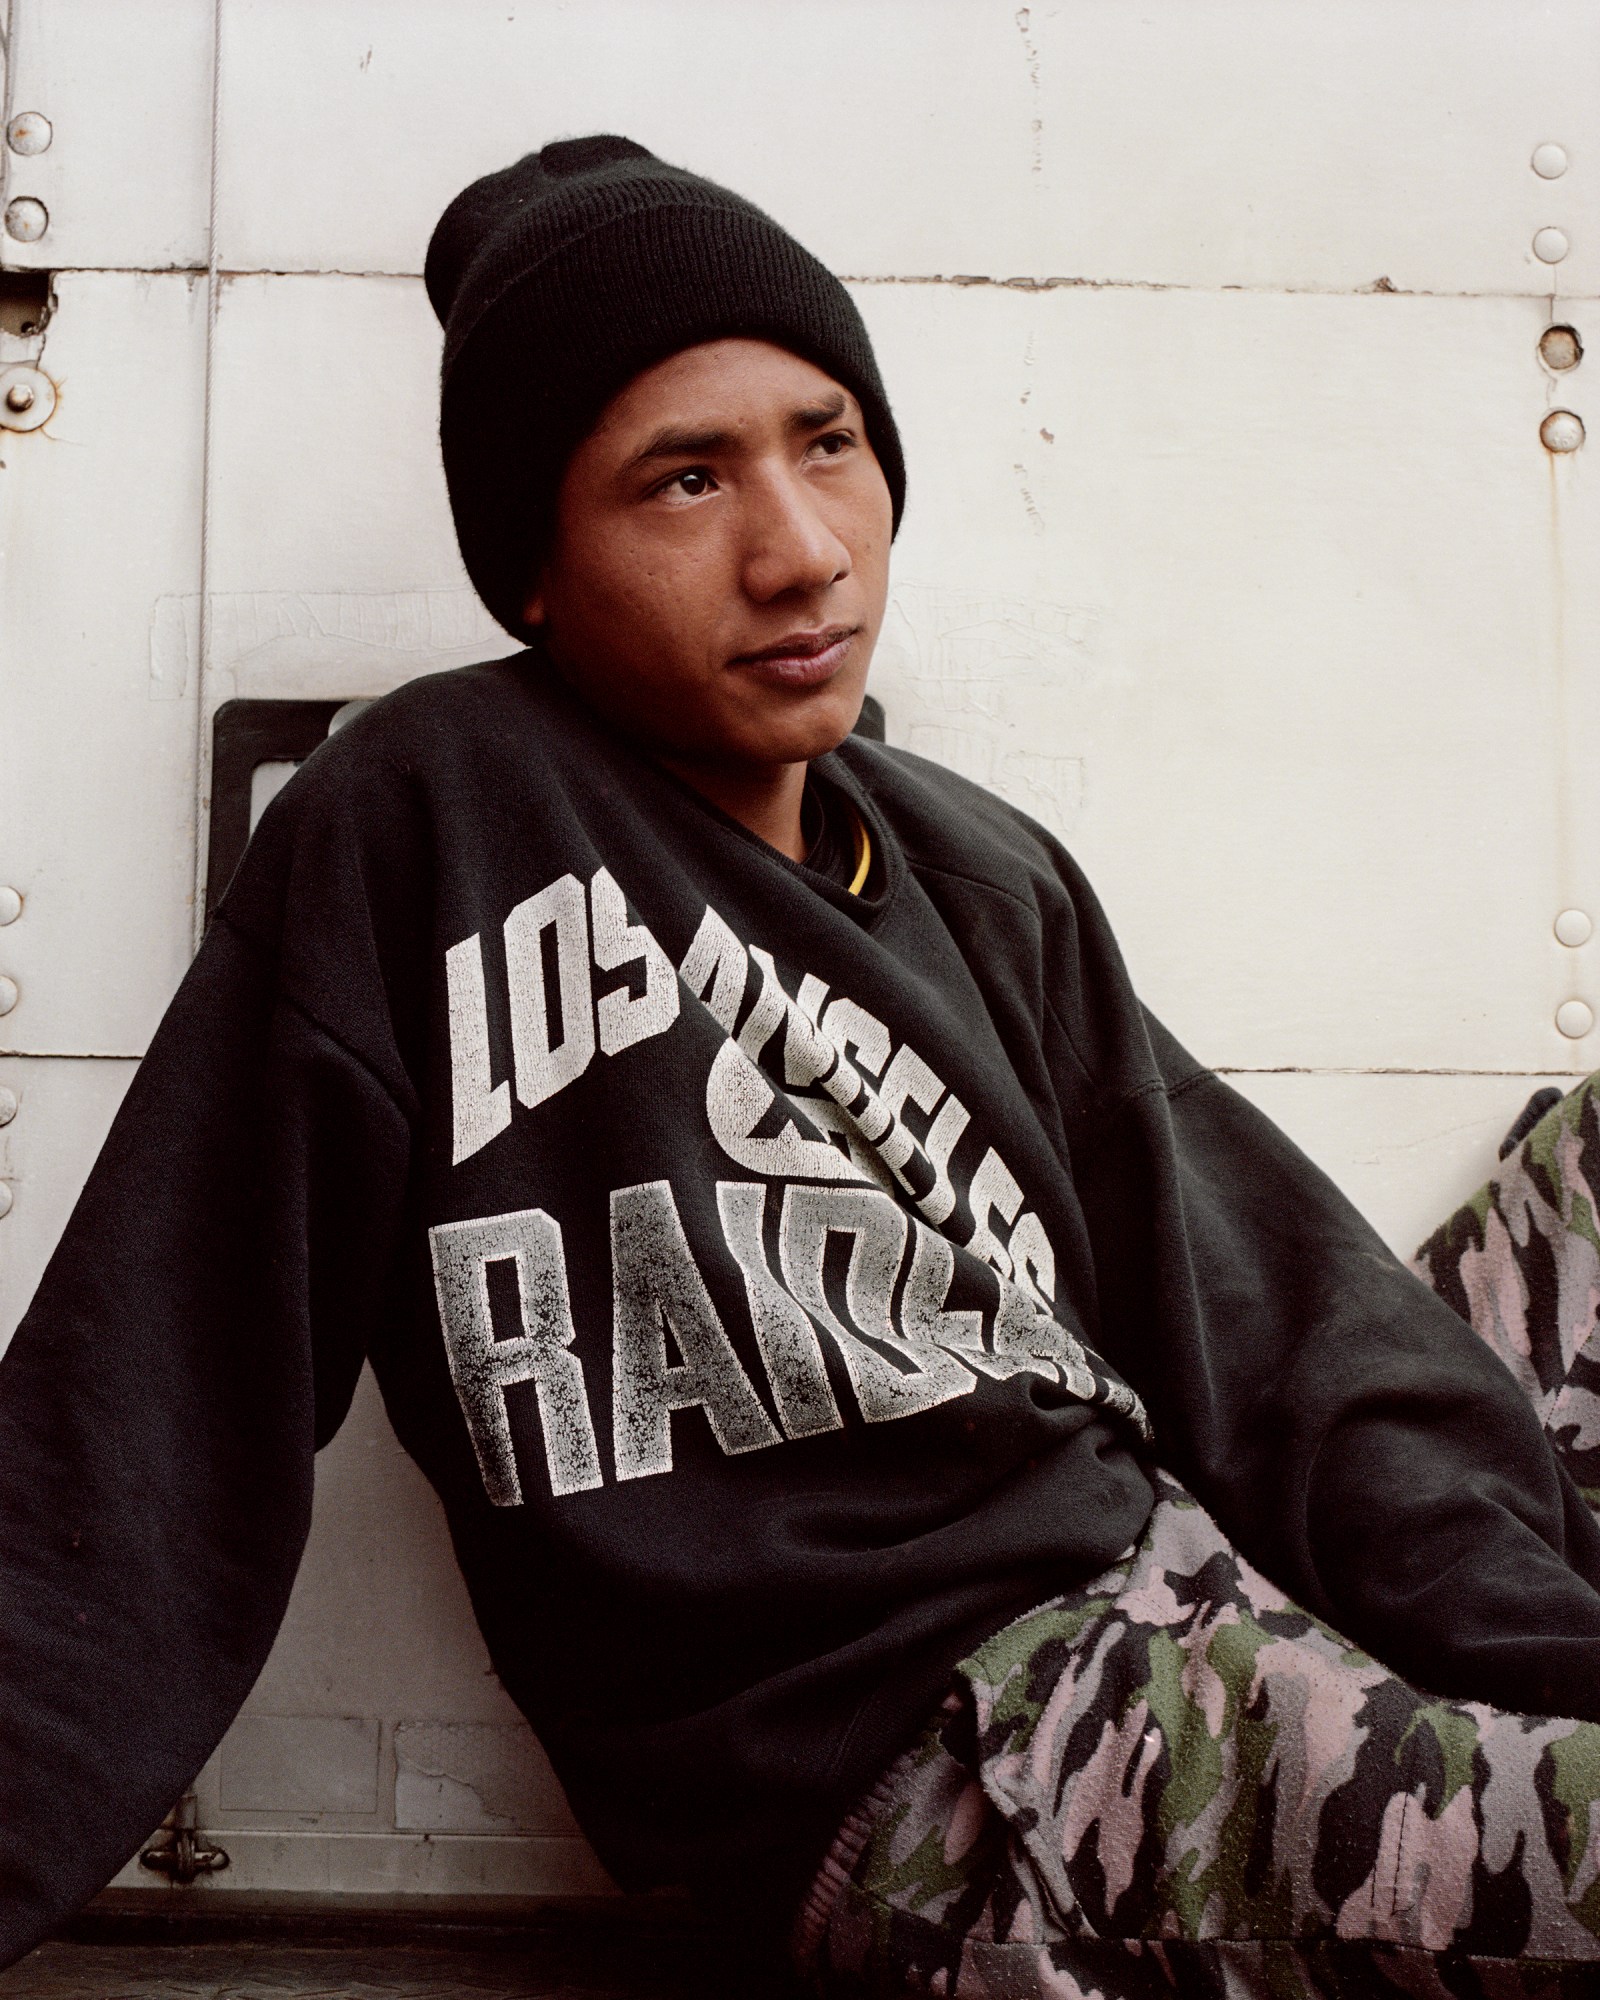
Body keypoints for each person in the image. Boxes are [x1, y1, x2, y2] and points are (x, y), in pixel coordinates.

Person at [3, 135, 1600, 2000]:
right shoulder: (435, 814)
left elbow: (1283, 1338)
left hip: (1209, 1605)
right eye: (684, 480)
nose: (803, 547)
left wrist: (1528, 1652)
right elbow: (136, 1435)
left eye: (826, 439)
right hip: (968, 1770)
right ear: (535, 568)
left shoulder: (970, 863)